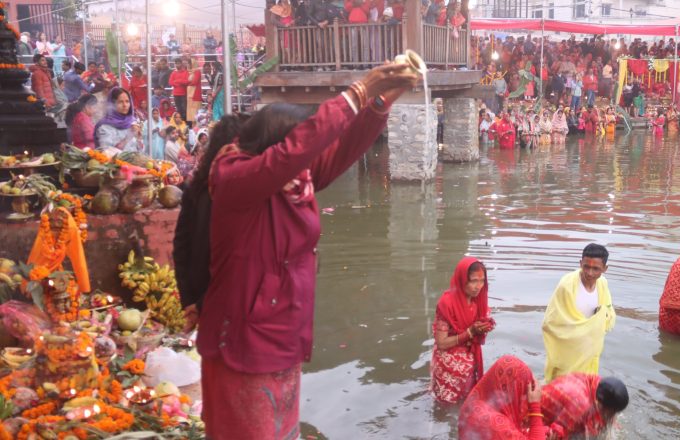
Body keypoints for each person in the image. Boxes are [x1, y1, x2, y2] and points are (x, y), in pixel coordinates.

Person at [195, 63, 417, 439]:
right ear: (277, 146)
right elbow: (297, 152)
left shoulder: (296, 182)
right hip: (244, 346)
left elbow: (338, 150)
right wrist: (361, 89)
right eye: (297, 147)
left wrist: (379, 102)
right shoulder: (236, 179)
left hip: (282, 337)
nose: (305, 159)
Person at [174, 114, 249, 325]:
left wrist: (190, 301)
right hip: (225, 301)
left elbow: (181, 246)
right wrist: (197, 304)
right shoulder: (240, 193)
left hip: (203, 296)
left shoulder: (196, 186)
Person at [458, 355, 629, 440]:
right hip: (530, 418)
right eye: (521, 388)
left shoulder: (593, 383)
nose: (526, 391)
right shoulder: (496, 424)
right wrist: (534, 408)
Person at [542, 244, 616, 382]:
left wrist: (602, 316)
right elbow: (550, 323)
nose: (590, 273)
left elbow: (609, 311)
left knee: (586, 387)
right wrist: (579, 330)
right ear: (580, 263)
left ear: (605, 269)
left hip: (590, 350)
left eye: (596, 269)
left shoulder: (603, 284)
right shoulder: (567, 285)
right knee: (562, 387)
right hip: (567, 350)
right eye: (586, 266)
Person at [431, 257, 495, 405]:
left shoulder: (478, 300)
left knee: (468, 403)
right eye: (473, 281)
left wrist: (484, 327)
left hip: (470, 358)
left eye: (482, 281)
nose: (478, 286)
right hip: (448, 363)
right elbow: (441, 343)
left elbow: (480, 324)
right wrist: (470, 332)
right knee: (445, 406)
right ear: (462, 280)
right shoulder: (446, 303)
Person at [94, 87, 139, 156]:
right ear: (112, 103)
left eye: (127, 101)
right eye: (120, 102)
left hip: (134, 165)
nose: (125, 105)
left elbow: (137, 149)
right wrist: (128, 137)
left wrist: (139, 138)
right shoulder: (104, 126)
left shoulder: (132, 122)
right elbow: (107, 153)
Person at [185, 58, 202, 124]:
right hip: (190, 94)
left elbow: (195, 82)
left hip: (195, 94)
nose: (188, 65)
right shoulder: (189, 72)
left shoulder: (197, 71)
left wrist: (186, 83)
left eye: (189, 63)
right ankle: (193, 127)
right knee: (191, 113)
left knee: (195, 112)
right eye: (188, 63)